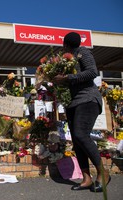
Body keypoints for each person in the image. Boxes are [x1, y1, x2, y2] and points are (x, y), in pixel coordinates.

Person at [53, 32, 110, 192]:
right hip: (72, 103)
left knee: (80, 134)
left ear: (65, 44)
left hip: (88, 99)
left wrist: (68, 78)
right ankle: (86, 178)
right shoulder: (65, 59)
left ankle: (103, 172)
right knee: (77, 141)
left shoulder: (83, 53)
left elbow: (92, 72)